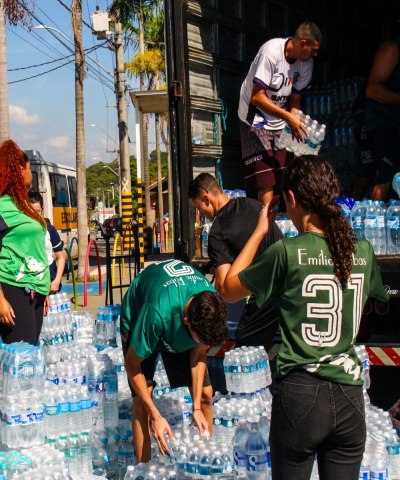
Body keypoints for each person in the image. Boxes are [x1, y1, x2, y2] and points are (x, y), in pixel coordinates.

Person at [222, 156, 389, 479]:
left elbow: (229, 290)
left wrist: (259, 232)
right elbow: (373, 299)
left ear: (293, 199)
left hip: (301, 395)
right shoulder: (363, 250)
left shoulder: (287, 251)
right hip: (350, 396)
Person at [120, 259, 228, 462]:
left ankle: (207, 465)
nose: (206, 347)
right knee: (143, 402)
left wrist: (195, 408)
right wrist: (156, 415)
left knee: (205, 394)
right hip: (140, 313)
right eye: (201, 341)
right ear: (187, 323)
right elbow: (131, 365)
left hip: (175, 317)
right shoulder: (157, 314)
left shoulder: (209, 304)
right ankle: (145, 471)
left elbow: (198, 354)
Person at [188, 173, 282, 347]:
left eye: (199, 209)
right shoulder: (253, 205)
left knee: (245, 350)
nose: (202, 215)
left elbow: (225, 290)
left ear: (206, 198)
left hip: (264, 299)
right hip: (290, 290)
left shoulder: (217, 232)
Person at [238, 22, 322, 204]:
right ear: (303, 43)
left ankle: (286, 223)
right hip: (255, 118)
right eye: (313, 50)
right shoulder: (271, 53)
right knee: (265, 179)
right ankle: (267, 227)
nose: (315, 54)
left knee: (287, 175)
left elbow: (296, 101)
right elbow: (257, 97)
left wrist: (295, 122)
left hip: (279, 119)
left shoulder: (306, 64)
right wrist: (288, 117)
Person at [0, 140, 49, 346]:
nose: (30, 173)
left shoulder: (24, 204)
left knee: (31, 352)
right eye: (28, 168)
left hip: (34, 289)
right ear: (19, 171)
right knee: (22, 356)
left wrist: (41, 285)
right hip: (12, 288)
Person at [364, 37, 400, 201]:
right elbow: (371, 90)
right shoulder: (392, 49)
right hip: (383, 124)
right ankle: (373, 224)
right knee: (385, 177)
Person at [28, 190, 66, 293]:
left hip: (49, 274)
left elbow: (60, 257)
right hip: (28, 278)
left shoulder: (49, 229)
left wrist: (57, 281)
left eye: (38, 211)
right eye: (30, 211)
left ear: (42, 209)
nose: (34, 215)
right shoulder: (22, 231)